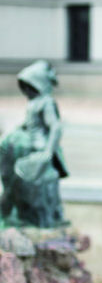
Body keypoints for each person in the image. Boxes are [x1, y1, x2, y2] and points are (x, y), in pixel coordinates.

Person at [0, 60, 68, 228]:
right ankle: (14, 210)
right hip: (27, 146)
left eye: (29, 86)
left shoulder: (46, 102)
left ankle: (38, 216)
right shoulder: (33, 103)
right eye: (24, 87)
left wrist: (48, 151)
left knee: (32, 186)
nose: (26, 91)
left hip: (38, 148)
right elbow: (29, 124)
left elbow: (55, 126)